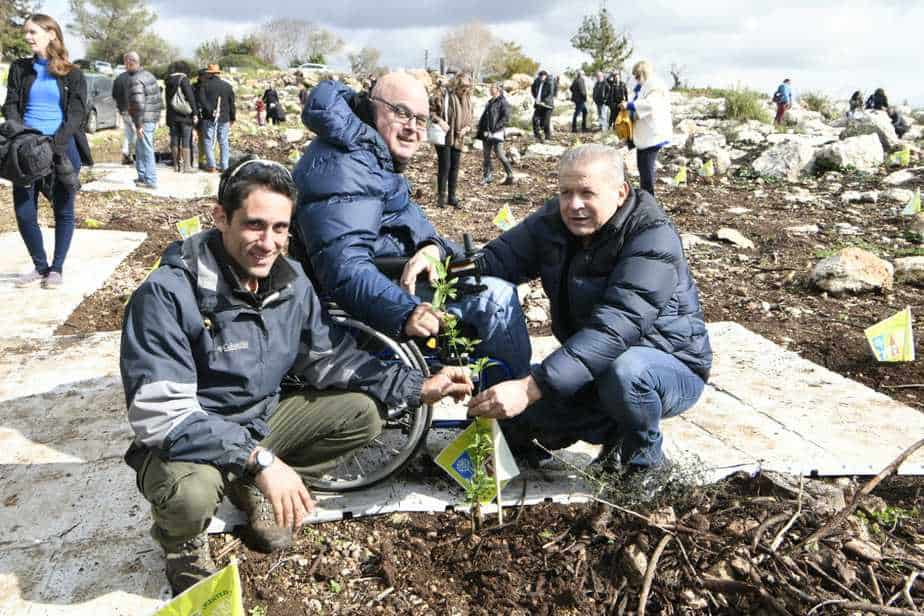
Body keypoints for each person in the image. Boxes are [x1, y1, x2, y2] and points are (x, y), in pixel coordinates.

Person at [121, 155, 472, 595]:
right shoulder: (167, 295)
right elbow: (162, 416)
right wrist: (261, 460)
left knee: (362, 414)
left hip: (256, 423)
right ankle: (182, 546)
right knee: (189, 494)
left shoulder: (290, 282)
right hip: (190, 439)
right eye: (254, 225)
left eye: (281, 228)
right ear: (220, 218)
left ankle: (247, 485)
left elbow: (328, 359)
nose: (268, 242)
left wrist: (416, 385)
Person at [468, 144, 712, 479]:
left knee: (625, 376)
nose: (573, 205)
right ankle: (606, 430)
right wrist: (440, 261)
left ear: (620, 192)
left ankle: (645, 463)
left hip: (666, 367)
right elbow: (497, 260)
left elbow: (615, 328)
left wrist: (530, 387)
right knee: (519, 418)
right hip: (594, 364)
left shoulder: (652, 237)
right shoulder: (554, 221)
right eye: (565, 192)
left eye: (587, 193)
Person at [292, 73, 531, 383]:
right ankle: (522, 411)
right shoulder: (345, 166)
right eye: (401, 113)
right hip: (377, 295)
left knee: (492, 270)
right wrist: (407, 312)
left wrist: (432, 247)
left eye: (421, 119)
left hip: (395, 276)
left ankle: (503, 394)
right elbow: (345, 271)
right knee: (494, 299)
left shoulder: (370, 155)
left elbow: (418, 226)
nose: (412, 128)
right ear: (371, 106)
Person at [2, 13, 93, 289]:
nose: (27, 37)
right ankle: (40, 266)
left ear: (51, 34)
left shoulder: (73, 73)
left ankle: (57, 268)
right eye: (26, 32)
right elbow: (11, 105)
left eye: (33, 32)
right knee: (25, 211)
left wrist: (55, 144)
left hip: (61, 149)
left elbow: (77, 113)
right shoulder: (20, 68)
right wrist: (23, 137)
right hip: (26, 151)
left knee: (63, 209)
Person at [619, 60, 671, 196]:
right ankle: (647, 198)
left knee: (647, 171)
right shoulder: (645, 86)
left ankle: (649, 201)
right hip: (645, 136)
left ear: (643, 73)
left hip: (652, 135)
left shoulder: (655, 86)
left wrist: (630, 105)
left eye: (637, 76)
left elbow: (651, 105)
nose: (636, 79)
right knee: (643, 169)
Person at [429, 73, 472, 208]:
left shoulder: (468, 99)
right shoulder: (444, 95)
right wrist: (440, 121)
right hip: (444, 136)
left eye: (467, 87)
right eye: (462, 87)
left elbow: (470, 119)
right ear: (456, 86)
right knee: (445, 166)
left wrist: (466, 129)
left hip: (459, 137)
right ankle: (441, 197)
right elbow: (431, 112)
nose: (465, 90)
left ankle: (452, 196)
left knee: (455, 167)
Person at [125, 52, 162, 189]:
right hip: (150, 118)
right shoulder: (149, 76)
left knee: (146, 149)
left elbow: (138, 104)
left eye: (126, 64)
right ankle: (142, 176)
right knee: (140, 148)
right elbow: (158, 98)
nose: (125, 67)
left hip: (144, 120)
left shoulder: (135, 79)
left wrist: (139, 124)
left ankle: (151, 180)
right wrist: (157, 118)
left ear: (130, 62)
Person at [198, 63, 236, 172]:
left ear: (209, 73)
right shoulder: (227, 86)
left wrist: (210, 111)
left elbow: (202, 101)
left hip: (208, 117)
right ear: (218, 73)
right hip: (224, 117)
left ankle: (212, 166)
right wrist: (233, 117)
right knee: (223, 141)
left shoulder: (204, 85)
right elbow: (231, 104)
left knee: (208, 140)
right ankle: (224, 166)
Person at [477, 83, 514, 186]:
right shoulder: (489, 102)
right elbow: (485, 118)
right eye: (490, 88)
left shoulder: (503, 102)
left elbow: (505, 118)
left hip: (497, 133)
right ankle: (487, 177)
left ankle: (510, 175)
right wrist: (481, 129)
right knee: (486, 156)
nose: (490, 90)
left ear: (498, 90)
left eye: (492, 88)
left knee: (500, 155)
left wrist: (493, 129)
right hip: (486, 133)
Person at [164, 60, 197, 174]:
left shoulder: (168, 81)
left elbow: (167, 101)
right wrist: (195, 113)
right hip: (184, 115)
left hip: (172, 116)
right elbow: (190, 97)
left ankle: (176, 165)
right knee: (186, 140)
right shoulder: (183, 80)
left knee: (174, 139)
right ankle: (187, 166)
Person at [111, 54, 135, 165]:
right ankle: (139, 156)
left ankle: (126, 154)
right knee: (137, 133)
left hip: (123, 110)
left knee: (128, 132)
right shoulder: (138, 77)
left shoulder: (119, 78)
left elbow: (114, 95)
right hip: (135, 110)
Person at [531, 70, 556, 142]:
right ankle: (537, 136)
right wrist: (535, 97)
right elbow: (532, 88)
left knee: (546, 122)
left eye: (543, 75)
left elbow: (550, 93)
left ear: (546, 76)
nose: (542, 77)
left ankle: (548, 137)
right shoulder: (537, 82)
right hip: (539, 104)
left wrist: (544, 101)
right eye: (540, 75)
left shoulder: (549, 82)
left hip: (547, 106)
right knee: (534, 120)